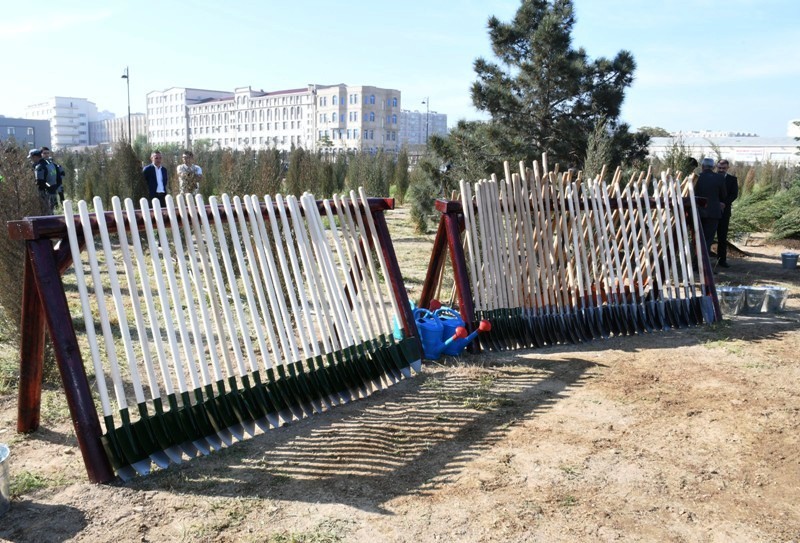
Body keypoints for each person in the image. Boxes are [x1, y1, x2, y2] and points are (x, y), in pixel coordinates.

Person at [693, 157, 727, 256]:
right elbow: (724, 195)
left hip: (698, 211)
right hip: (713, 212)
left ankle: (695, 261)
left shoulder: (697, 178)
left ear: (702, 166)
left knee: (696, 237)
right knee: (708, 239)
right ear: (713, 167)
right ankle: (704, 262)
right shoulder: (720, 178)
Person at [715, 159, 738, 268]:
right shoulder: (712, 178)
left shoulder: (732, 179)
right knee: (708, 236)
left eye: (723, 168)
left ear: (728, 168)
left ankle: (722, 260)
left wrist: (724, 203)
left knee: (722, 237)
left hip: (724, 211)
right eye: (719, 168)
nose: (721, 170)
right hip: (712, 210)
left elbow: (734, 194)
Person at [27, 148, 57, 214]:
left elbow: (40, 182)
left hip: (45, 193)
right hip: (52, 190)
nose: (31, 160)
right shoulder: (50, 164)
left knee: (45, 212)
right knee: (51, 211)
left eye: (31, 158)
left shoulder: (39, 166)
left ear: (35, 157)